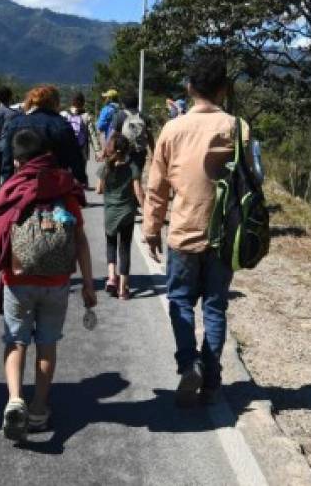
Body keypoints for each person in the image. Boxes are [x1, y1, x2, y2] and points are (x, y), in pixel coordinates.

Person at [142, 54, 247, 408]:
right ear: (223, 89)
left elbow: (157, 187)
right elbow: (253, 182)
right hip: (224, 235)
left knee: (181, 301)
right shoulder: (237, 127)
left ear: (189, 87)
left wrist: (151, 228)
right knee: (215, 307)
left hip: (184, 232)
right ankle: (212, 382)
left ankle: (189, 364)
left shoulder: (173, 129)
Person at [0, 129, 97, 442]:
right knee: (47, 344)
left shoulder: (13, 186)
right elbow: (80, 241)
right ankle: (39, 408)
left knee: (15, 341)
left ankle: (15, 399)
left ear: (18, 161)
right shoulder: (65, 188)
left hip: (18, 280)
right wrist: (87, 283)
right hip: (57, 282)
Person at [0, 86, 88, 186]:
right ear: (54, 102)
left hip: (24, 184)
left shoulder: (15, 123)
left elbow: (7, 161)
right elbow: (75, 157)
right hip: (54, 185)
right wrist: (80, 178)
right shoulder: (61, 124)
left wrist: (7, 185)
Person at [96, 134, 144, 300]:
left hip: (110, 213)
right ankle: (123, 289)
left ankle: (111, 278)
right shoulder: (133, 167)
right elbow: (138, 191)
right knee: (125, 249)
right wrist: (146, 209)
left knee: (111, 245)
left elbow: (98, 190)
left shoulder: (106, 167)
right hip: (127, 214)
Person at [108, 93, 154, 174]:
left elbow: (113, 135)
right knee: (136, 177)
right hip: (140, 152)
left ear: (124, 104)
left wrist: (108, 150)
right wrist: (153, 152)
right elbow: (150, 136)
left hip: (123, 152)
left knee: (123, 176)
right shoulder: (144, 116)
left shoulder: (119, 116)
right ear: (136, 103)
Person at [61, 92, 99, 168]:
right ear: (83, 103)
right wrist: (97, 151)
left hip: (67, 150)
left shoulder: (63, 114)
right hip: (82, 151)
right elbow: (93, 135)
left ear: (72, 102)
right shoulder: (86, 116)